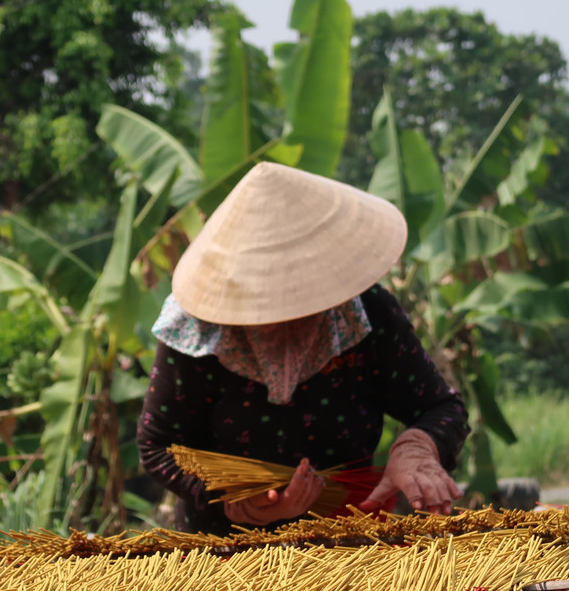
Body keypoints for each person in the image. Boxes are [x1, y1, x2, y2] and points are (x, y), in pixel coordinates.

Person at [137, 162, 470, 534]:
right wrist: (227, 497)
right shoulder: (195, 329)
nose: (287, 319)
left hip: (348, 540)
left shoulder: (366, 312)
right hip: (222, 552)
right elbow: (157, 445)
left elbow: (441, 407)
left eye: (302, 301)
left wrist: (417, 449)